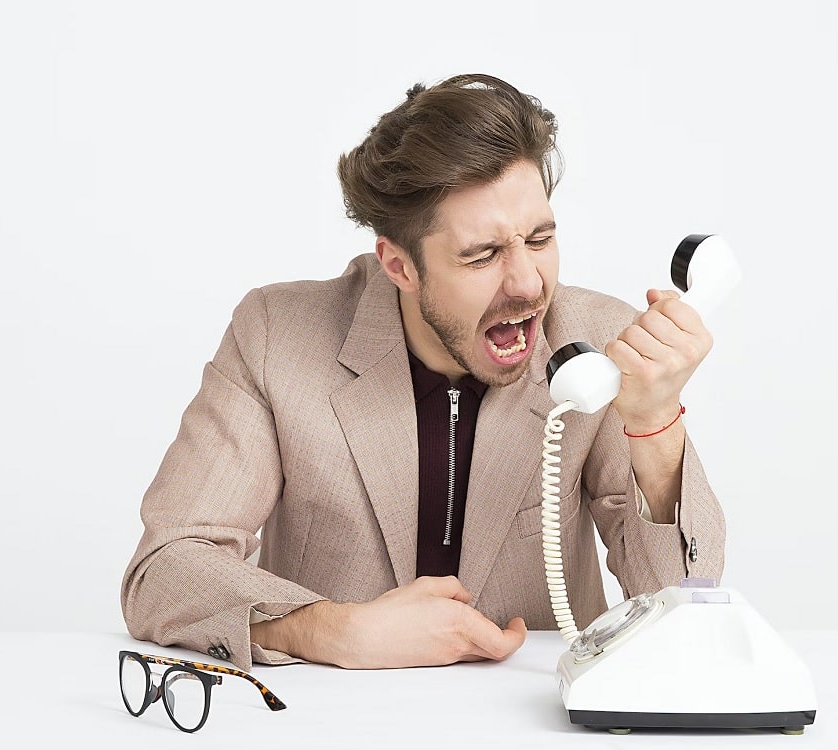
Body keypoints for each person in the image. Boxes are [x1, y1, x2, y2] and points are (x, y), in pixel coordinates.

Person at [121, 73, 726, 671]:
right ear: (399, 265)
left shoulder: (596, 342)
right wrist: (330, 631)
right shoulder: (276, 334)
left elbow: (684, 606)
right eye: (482, 255)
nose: (527, 284)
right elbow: (165, 568)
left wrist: (654, 426)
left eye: (539, 239)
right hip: (330, 719)